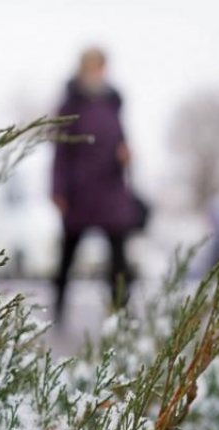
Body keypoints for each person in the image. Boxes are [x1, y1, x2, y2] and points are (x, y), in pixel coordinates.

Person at [51, 47, 137, 323]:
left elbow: (121, 142)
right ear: (83, 68)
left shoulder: (113, 103)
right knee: (67, 256)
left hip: (111, 192)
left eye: (101, 66)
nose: (97, 71)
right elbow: (61, 151)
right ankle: (58, 310)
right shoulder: (70, 104)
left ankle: (120, 314)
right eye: (92, 66)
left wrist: (125, 155)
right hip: (79, 193)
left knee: (118, 259)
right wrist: (58, 189)